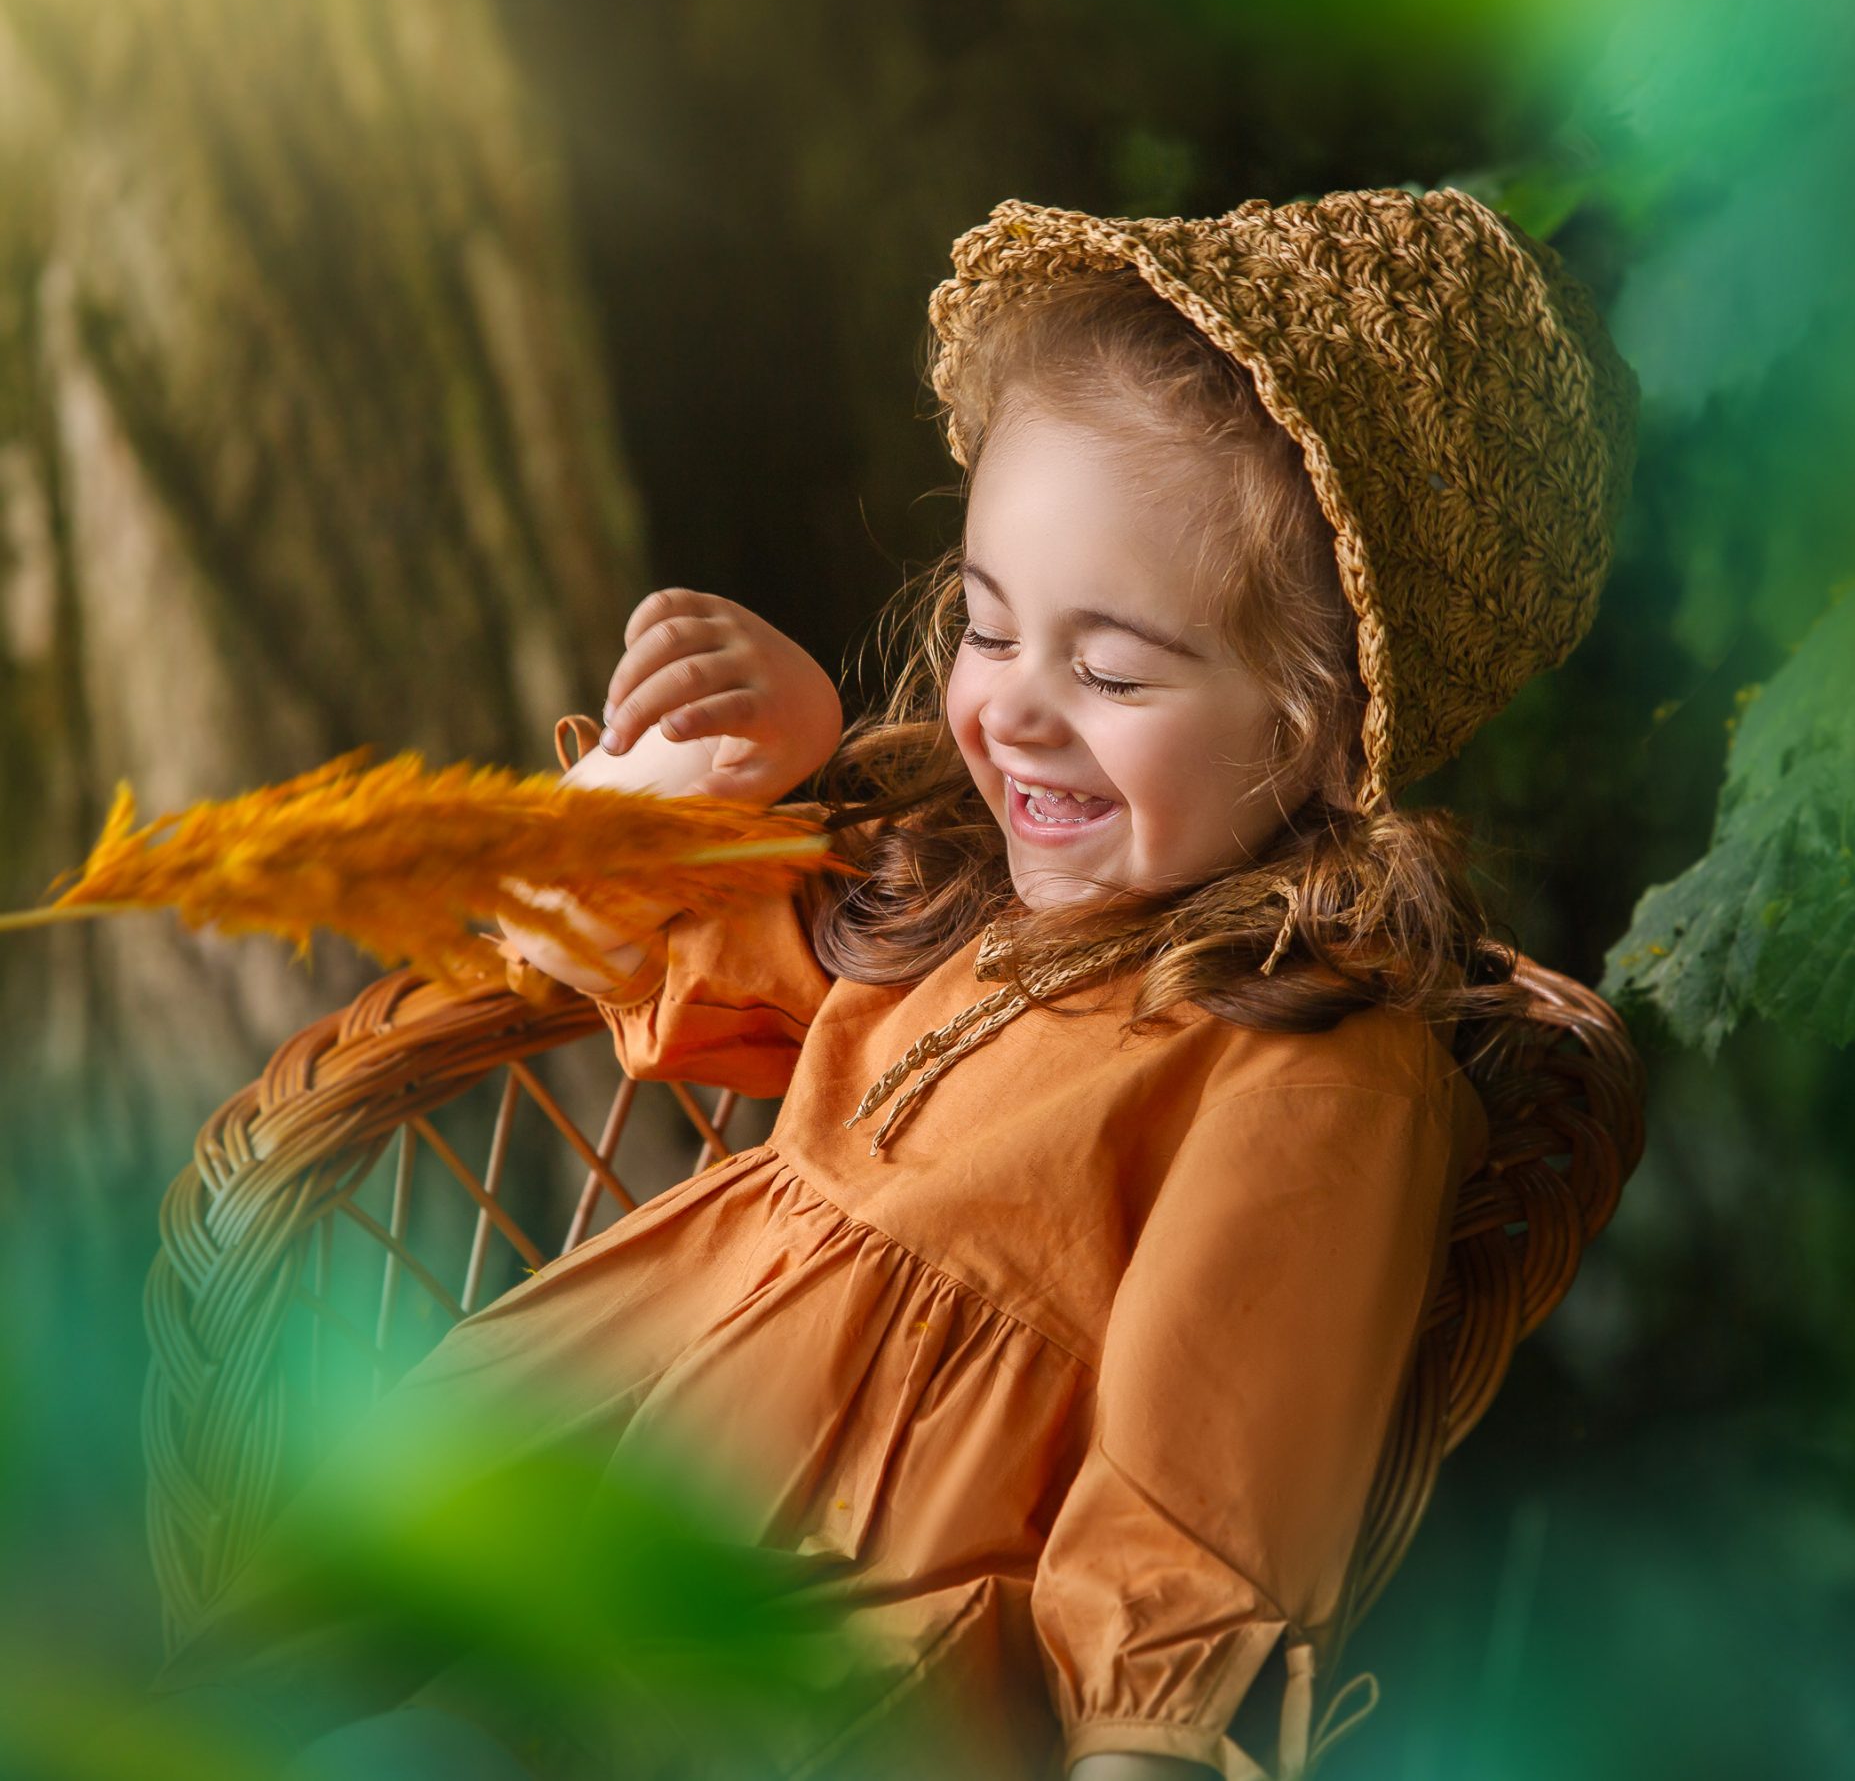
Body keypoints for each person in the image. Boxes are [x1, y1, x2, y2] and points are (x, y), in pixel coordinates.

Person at [146, 188, 1638, 1781]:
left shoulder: (1313, 1070)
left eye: (1114, 672)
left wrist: (1139, 1743)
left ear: (1325, 728)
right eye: (989, 632)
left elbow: (1208, 1487)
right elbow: (610, 939)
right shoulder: (964, 887)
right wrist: (762, 773)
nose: (1016, 716)